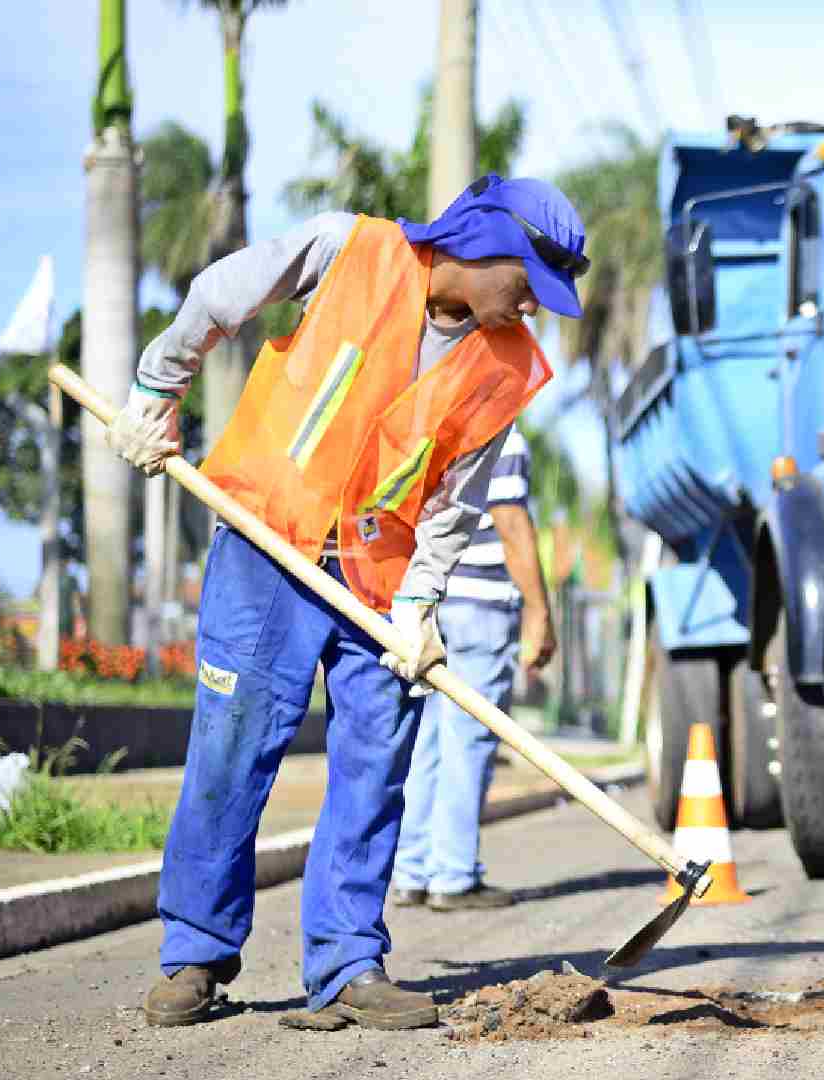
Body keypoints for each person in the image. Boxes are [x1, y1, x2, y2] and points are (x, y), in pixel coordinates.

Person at [106, 174, 586, 1028]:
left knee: (373, 768)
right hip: (266, 546)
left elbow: (457, 498)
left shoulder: (506, 363)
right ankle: (196, 955)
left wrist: (422, 605)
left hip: (381, 580)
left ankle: (348, 963)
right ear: (485, 245)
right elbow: (221, 294)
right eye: (527, 288)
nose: (532, 310)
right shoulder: (348, 249)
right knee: (231, 752)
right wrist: (158, 385)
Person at [390, 425, 556, 911]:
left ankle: (413, 870)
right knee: (469, 741)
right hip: (482, 607)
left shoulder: (441, 426)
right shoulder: (502, 433)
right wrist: (539, 611)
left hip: (432, 604)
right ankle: (454, 875)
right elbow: (510, 522)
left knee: (430, 741)